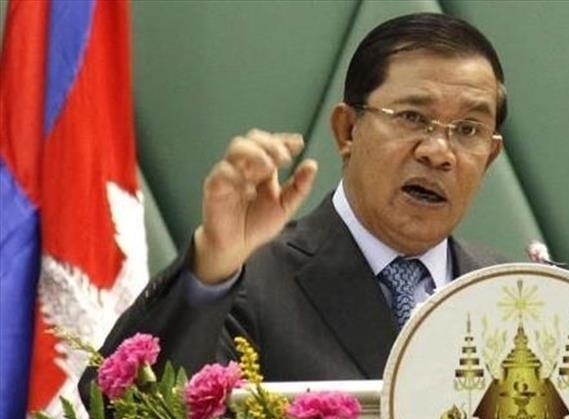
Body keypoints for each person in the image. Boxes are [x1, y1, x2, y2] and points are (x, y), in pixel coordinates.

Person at [83, 12, 510, 386]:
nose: (438, 152)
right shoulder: (248, 279)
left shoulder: (517, 295)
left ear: (489, 157)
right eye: (413, 117)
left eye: (468, 130)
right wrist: (212, 265)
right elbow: (126, 410)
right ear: (348, 130)